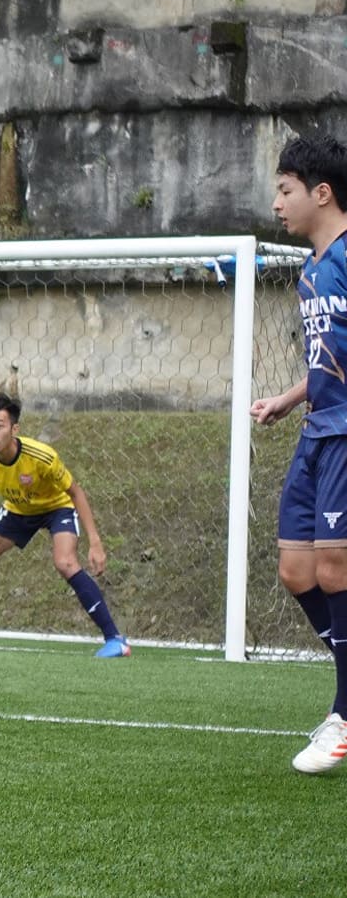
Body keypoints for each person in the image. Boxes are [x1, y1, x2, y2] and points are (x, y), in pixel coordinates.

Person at [251, 133, 347, 775]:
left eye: (285, 190)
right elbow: (327, 358)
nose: (277, 204)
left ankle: (343, 714)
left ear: (321, 192)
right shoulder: (310, 273)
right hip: (317, 429)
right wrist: (291, 396)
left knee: (336, 568)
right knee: (296, 571)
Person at [0, 392, 127, 657]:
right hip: (16, 510)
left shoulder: (42, 457)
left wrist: (95, 543)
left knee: (66, 563)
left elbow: (76, 493)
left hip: (56, 508)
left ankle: (114, 639)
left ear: (14, 429)